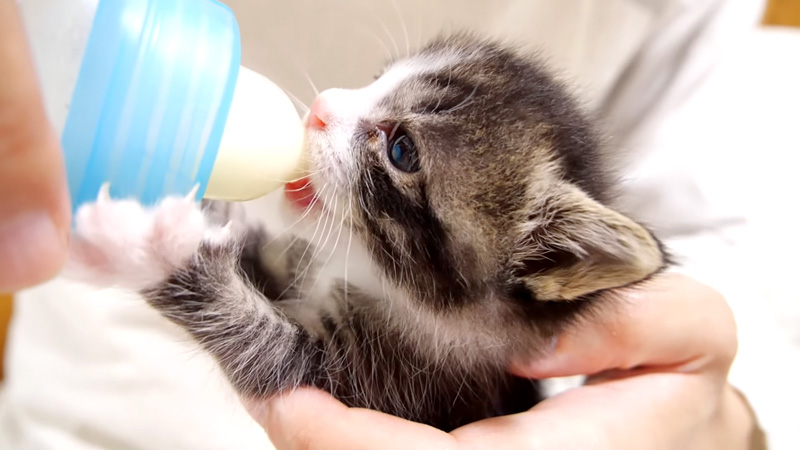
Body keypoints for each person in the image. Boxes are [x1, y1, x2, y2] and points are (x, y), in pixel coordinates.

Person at [0, 0, 795, 448]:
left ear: (534, 261)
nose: (327, 106)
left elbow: (742, 212)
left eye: (402, 147)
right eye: (381, 84)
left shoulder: (443, 341)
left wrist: (723, 423)